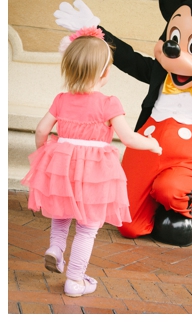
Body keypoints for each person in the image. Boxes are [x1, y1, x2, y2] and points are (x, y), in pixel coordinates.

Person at [20, 28, 161, 297]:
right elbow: (129, 138)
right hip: (95, 171)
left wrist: (45, 153)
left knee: (61, 212)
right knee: (87, 227)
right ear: (105, 72)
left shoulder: (61, 100)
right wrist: (153, 144)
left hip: (62, 164)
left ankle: (56, 248)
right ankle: (74, 280)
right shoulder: (109, 103)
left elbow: (41, 130)